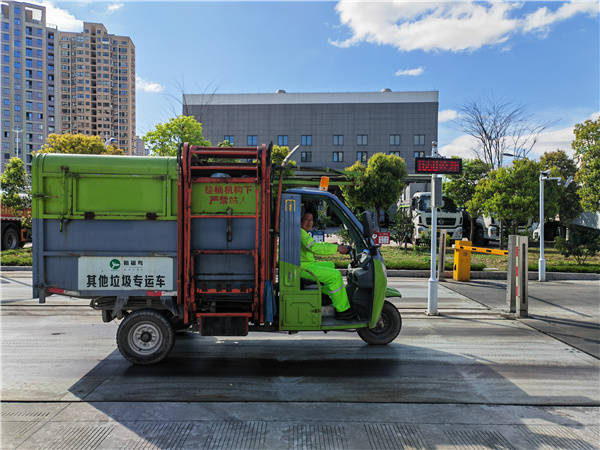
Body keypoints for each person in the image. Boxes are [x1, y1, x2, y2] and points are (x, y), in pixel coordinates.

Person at [300, 212, 359, 321]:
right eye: (306, 219)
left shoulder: (303, 233)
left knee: (330, 265)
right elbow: (315, 248)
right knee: (335, 276)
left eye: (311, 220)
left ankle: (324, 294)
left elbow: (315, 245)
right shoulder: (300, 233)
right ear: (300, 221)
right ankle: (343, 310)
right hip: (303, 268)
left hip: (305, 265)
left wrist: (333, 245)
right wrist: (337, 249)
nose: (309, 222)